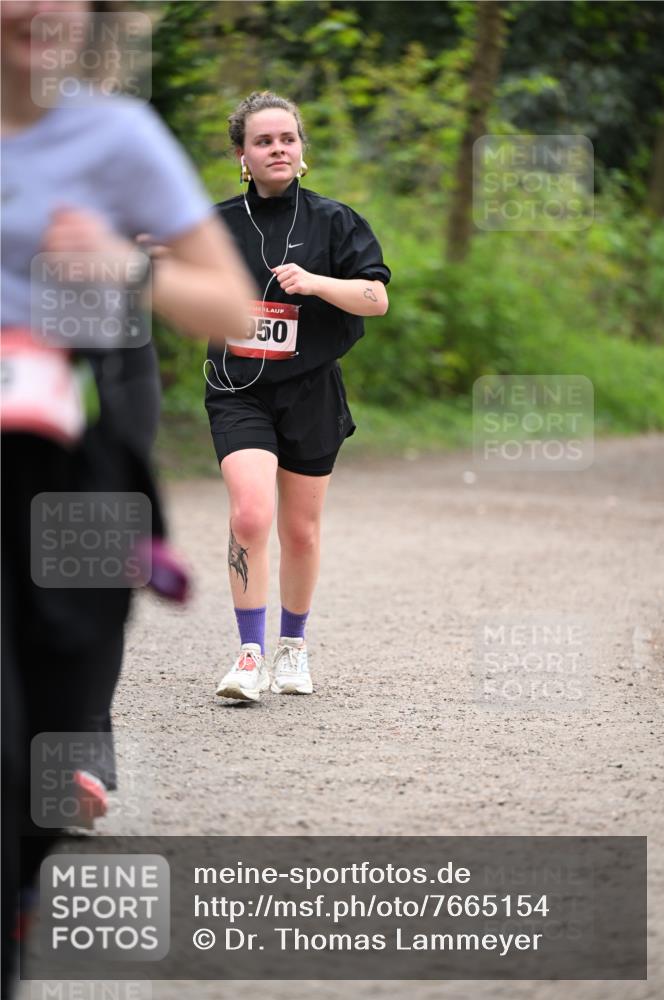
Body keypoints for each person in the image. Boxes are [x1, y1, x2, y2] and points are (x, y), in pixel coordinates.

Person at [1, 2, 255, 992]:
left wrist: (127, 268)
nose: (42, 9)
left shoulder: (115, 135)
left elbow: (230, 304)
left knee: (42, 763)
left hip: (67, 466)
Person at [205, 91, 390, 703]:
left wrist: (315, 283)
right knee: (250, 515)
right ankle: (250, 655)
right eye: (263, 141)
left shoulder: (336, 221)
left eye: (287, 139)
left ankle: (294, 649)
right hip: (238, 389)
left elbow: (376, 298)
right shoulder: (216, 225)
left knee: (301, 531)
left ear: (302, 152)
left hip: (312, 389)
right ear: (243, 156)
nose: (277, 148)